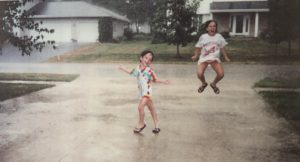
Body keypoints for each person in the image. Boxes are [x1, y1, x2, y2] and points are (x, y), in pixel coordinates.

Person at [118, 50, 170, 134]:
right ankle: (157, 126)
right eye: (146, 58)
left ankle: (141, 124)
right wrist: (123, 68)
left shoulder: (149, 70)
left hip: (147, 92)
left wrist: (164, 81)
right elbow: (131, 72)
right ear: (141, 58)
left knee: (140, 107)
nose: (147, 60)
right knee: (151, 108)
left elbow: (155, 79)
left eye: (150, 60)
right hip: (142, 92)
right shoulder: (138, 68)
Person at [191, 20, 230, 94]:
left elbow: (222, 47)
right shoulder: (203, 37)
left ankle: (213, 84)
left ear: (216, 28)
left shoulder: (219, 37)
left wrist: (225, 56)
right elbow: (198, 47)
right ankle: (204, 83)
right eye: (210, 26)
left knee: (221, 74)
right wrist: (195, 55)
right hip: (204, 59)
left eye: (214, 26)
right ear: (207, 28)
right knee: (199, 74)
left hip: (214, 59)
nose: (212, 28)